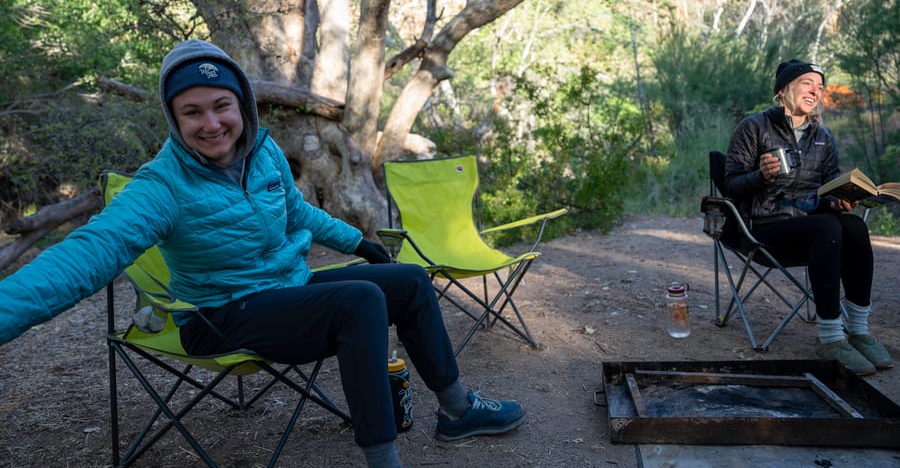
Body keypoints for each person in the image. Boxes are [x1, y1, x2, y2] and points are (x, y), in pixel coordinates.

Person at [0, 39, 525, 468]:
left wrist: (360, 243)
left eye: (221, 105)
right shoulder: (161, 186)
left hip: (282, 292)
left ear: (242, 104)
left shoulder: (262, 150)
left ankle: (458, 412)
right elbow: (92, 252)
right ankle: (384, 461)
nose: (211, 124)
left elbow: (296, 213)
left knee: (407, 280)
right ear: (173, 118)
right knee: (360, 301)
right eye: (192, 112)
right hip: (219, 314)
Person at [724, 58, 893, 376]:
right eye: (807, 84)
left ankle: (858, 331)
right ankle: (830, 338)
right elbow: (731, 185)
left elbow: (826, 191)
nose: (815, 92)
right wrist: (760, 176)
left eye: (820, 88)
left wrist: (841, 200)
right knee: (826, 227)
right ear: (783, 90)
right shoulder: (754, 127)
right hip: (764, 228)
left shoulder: (823, 136)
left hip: (813, 231)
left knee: (853, 226)